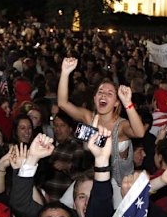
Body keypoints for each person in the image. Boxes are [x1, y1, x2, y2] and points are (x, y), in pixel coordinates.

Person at [58, 57, 145, 187]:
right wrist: (65, 73)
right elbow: (63, 103)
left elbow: (140, 133)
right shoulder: (88, 118)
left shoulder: (120, 126)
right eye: (100, 92)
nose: (103, 95)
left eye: (109, 93)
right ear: (94, 98)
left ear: (116, 102)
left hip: (119, 185)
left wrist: (128, 103)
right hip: (92, 177)